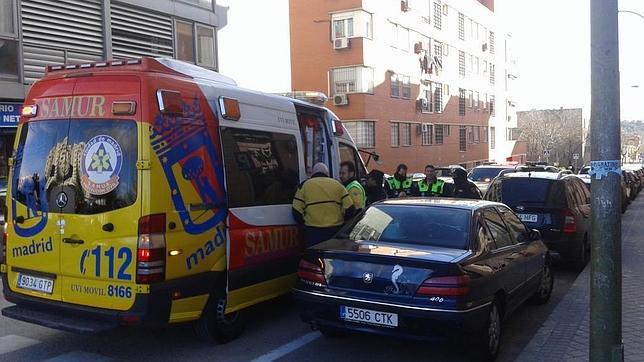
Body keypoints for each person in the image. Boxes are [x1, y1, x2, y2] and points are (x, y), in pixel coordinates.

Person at [292, 163, 355, 247]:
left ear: (312, 174)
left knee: (314, 258)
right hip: (335, 231)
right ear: (327, 174)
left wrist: (304, 225)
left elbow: (296, 211)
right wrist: (343, 222)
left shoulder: (304, 185)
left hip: (313, 232)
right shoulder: (337, 185)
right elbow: (350, 209)